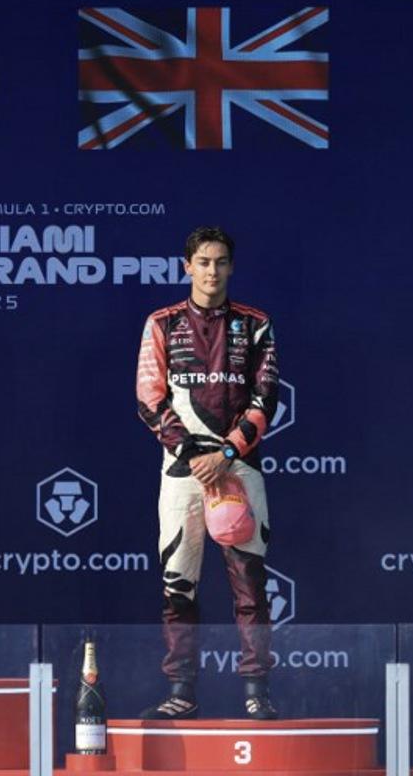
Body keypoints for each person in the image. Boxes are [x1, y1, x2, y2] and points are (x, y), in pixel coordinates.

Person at [135, 227, 280, 720]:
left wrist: (227, 452)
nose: (211, 271)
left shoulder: (256, 324)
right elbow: (149, 398)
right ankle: (181, 690)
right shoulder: (162, 322)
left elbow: (266, 399)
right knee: (179, 585)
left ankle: (257, 690)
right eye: (202, 262)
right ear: (186, 266)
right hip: (182, 474)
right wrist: (194, 454)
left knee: (250, 586)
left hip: (239, 470)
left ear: (231, 267)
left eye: (220, 262)